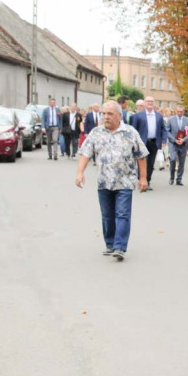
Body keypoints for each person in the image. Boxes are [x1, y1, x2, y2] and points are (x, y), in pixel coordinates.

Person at [74, 101, 149, 260]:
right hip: (104, 181)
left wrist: (143, 178)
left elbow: (141, 156)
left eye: (110, 114)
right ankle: (110, 243)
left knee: (122, 214)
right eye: (104, 113)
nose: (106, 117)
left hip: (125, 181)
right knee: (107, 215)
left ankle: (120, 247)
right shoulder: (96, 132)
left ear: (119, 116)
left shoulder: (130, 132)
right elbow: (86, 154)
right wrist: (80, 172)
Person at [131, 96, 166, 188]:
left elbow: (163, 129)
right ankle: (141, 179)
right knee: (142, 161)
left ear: (154, 103)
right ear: (144, 103)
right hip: (142, 142)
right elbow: (133, 129)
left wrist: (164, 140)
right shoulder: (138, 115)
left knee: (151, 163)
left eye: (151, 101)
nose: (150, 103)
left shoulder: (159, 116)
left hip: (154, 142)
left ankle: (148, 180)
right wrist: (134, 141)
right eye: (148, 101)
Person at [164, 104, 188, 185]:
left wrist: (184, 139)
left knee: (182, 162)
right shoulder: (170, 120)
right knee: (172, 159)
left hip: (183, 144)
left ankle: (179, 179)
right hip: (173, 143)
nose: (180, 113)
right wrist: (174, 139)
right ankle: (172, 177)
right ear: (176, 111)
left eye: (181, 111)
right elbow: (167, 131)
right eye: (178, 111)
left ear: (183, 111)